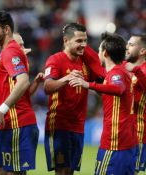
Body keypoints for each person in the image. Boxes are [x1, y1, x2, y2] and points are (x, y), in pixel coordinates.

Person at [69, 33, 138, 174]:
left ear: (105, 53)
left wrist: (88, 84)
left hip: (115, 144)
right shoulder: (120, 72)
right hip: (127, 143)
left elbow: (118, 89)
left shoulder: (116, 74)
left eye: (99, 50)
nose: (98, 54)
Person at [43, 22, 104, 175]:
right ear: (66, 41)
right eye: (78, 41)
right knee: (62, 171)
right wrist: (66, 78)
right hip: (59, 123)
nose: (83, 45)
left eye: (85, 41)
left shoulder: (85, 63)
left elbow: (99, 89)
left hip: (78, 125)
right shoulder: (55, 60)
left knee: (70, 171)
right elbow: (47, 87)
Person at [0, 11, 39, 175]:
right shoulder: (7, 52)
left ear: (6, 29)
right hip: (12, 122)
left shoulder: (10, 51)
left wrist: (1, 110)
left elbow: (23, 82)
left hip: (18, 122)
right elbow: (3, 90)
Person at [124, 33, 146, 174]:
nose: (127, 47)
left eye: (131, 45)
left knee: (131, 171)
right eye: (127, 44)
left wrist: (137, 71)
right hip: (122, 129)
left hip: (139, 130)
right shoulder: (124, 67)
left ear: (142, 51)